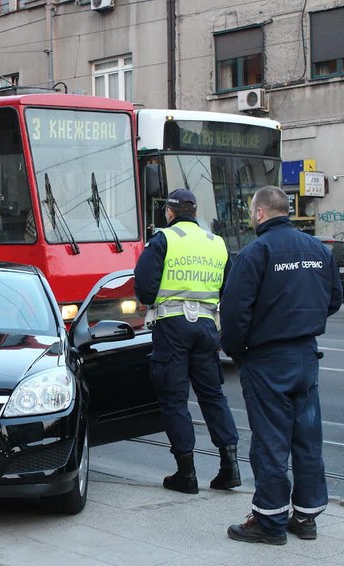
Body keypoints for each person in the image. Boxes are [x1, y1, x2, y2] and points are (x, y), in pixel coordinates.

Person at [221, 186, 342, 545]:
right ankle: (305, 518)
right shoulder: (319, 250)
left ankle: (269, 521)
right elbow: (333, 299)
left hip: (267, 359)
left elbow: (234, 312)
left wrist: (238, 352)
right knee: (307, 439)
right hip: (306, 355)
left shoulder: (255, 253)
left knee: (271, 441)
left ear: (260, 213)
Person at [134, 188, 240, 495]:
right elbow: (229, 289)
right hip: (207, 327)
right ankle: (229, 467)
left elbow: (144, 286)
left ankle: (186, 473)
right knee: (213, 396)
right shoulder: (216, 244)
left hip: (171, 327)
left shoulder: (164, 239)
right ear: (195, 212)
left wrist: (156, 300)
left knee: (174, 398)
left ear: (169, 212)